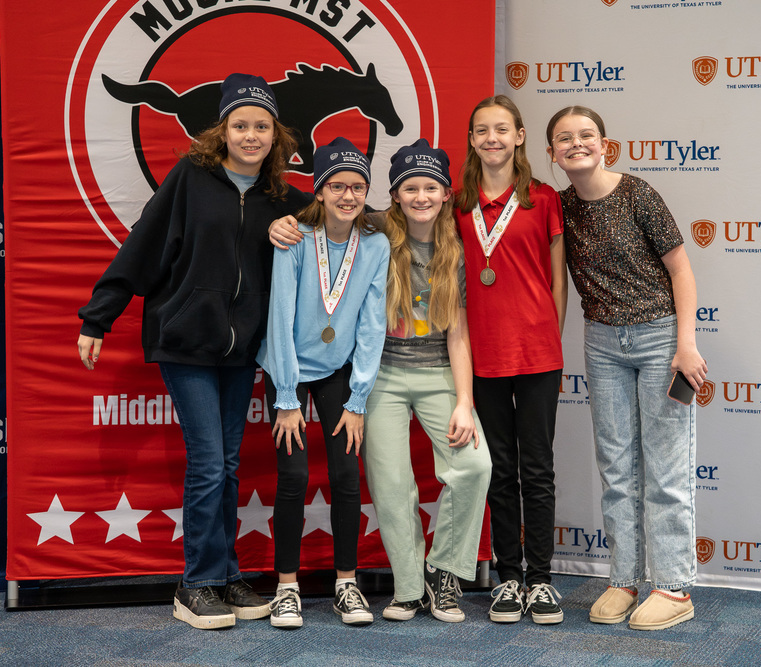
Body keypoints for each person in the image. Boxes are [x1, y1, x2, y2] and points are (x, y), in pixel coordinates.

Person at [77, 74, 309, 630]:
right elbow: (143, 242)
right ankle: (197, 583)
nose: (250, 136)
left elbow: (343, 211)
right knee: (208, 462)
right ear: (222, 131)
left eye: (261, 127)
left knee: (226, 463)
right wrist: (98, 317)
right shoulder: (189, 177)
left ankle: (225, 574)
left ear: (276, 135)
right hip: (184, 341)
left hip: (241, 348)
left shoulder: (283, 197)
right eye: (240, 125)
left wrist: (402, 217)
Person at [545, 105, 707, 631]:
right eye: (564, 138)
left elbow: (681, 270)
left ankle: (673, 587)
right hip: (602, 342)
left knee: (665, 466)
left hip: (660, 337)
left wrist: (686, 344)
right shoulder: (560, 207)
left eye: (586, 135)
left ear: (605, 144)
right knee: (616, 467)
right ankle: (624, 579)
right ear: (551, 153)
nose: (577, 144)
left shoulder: (638, 194)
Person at [258, 137, 390, 629]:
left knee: (346, 475)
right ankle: (286, 588)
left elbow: (373, 324)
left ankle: (346, 584)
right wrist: (286, 396)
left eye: (357, 187)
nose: (348, 196)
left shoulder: (375, 245)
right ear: (319, 190)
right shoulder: (296, 238)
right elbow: (279, 317)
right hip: (287, 368)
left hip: (339, 371)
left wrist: (358, 399)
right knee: (293, 476)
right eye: (337, 186)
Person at [361, 139, 492, 624]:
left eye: (431, 188)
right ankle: (408, 587)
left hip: (438, 371)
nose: (421, 197)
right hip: (382, 375)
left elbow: (458, 333)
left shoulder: (456, 244)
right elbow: (323, 213)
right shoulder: (374, 230)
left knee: (474, 466)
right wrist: (284, 222)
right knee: (393, 483)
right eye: (410, 188)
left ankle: (443, 572)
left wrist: (463, 401)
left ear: (445, 194)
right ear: (395, 194)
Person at [455, 95, 568, 625]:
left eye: (502, 129)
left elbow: (558, 278)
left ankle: (540, 579)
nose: (492, 138)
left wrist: (551, 338)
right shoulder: (458, 203)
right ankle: (508, 578)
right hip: (484, 355)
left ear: (520, 136)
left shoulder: (543, 198)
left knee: (537, 467)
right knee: (499, 469)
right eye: (482, 130)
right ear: (472, 139)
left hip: (539, 351)